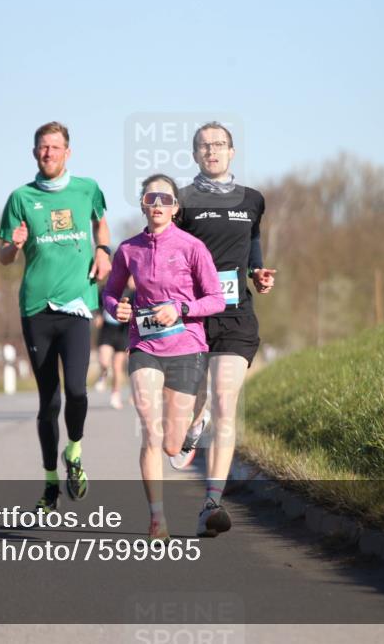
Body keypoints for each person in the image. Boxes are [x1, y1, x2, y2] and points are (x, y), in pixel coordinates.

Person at [0, 121, 112, 512]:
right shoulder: (20, 197)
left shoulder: (87, 189)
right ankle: (49, 484)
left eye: (56, 147)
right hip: (36, 308)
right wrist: (13, 247)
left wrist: (104, 251)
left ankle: (74, 452)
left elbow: (101, 222)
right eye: (43, 148)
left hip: (78, 305)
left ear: (68, 151)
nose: (49, 153)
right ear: (34, 154)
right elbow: (3, 254)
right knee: (49, 401)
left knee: (78, 390)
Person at [102, 174, 224, 540]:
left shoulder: (192, 247)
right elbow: (109, 294)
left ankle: (194, 424)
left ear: (175, 207)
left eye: (165, 199)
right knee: (150, 430)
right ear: (142, 204)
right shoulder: (128, 250)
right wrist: (116, 309)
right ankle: (157, 519)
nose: (157, 204)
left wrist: (181, 309)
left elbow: (216, 299)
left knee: (173, 444)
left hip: (187, 345)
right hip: (145, 346)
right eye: (151, 198)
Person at [172, 122, 276, 537]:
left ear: (231, 152)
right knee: (193, 404)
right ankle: (192, 426)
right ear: (195, 155)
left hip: (235, 316)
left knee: (224, 400)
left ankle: (212, 502)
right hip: (193, 317)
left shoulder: (252, 200)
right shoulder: (182, 201)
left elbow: (252, 244)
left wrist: (257, 274)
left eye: (219, 144)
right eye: (203, 146)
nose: (212, 151)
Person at [94, 277, 134, 409]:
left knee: (117, 367)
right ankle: (103, 375)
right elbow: (99, 303)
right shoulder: (107, 289)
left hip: (123, 333)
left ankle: (115, 395)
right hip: (107, 330)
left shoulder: (134, 293)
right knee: (104, 360)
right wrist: (98, 315)